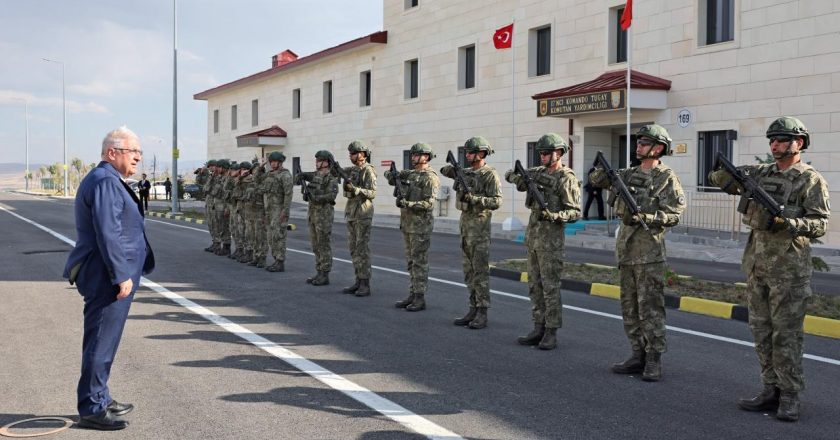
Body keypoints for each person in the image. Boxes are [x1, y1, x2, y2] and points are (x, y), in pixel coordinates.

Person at [709, 117, 830, 421]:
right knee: (761, 331)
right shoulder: (761, 174)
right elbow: (721, 180)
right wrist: (724, 171)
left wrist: (790, 222)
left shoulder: (810, 179)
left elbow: (820, 224)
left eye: (781, 140)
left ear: (798, 143)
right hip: (757, 265)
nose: (774, 145)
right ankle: (769, 389)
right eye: (772, 140)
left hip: (789, 270)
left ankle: (790, 395)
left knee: (786, 335)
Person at [62, 127, 155, 430]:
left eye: (139, 152)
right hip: (107, 277)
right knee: (101, 341)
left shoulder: (109, 179)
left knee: (106, 340)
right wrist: (120, 275)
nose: (138, 157)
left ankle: (100, 395)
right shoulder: (105, 181)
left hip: (110, 275)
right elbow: (108, 232)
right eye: (133, 152)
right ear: (112, 153)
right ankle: (92, 407)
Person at [589, 124, 686, 379]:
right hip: (626, 251)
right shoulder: (628, 174)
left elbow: (674, 214)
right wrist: (603, 173)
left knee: (650, 308)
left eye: (644, 143)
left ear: (658, 148)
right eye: (639, 142)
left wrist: (649, 216)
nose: (638, 146)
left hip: (649, 253)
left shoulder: (666, 177)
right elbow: (596, 180)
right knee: (629, 307)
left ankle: (654, 358)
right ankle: (636, 353)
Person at [505, 133, 580, 350]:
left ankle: (551, 331)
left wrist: (556, 216)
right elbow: (511, 174)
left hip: (551, 241)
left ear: (559, 153)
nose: (543, 157)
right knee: (534, 286)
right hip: (534, 238)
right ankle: (538, 326)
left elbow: (574, 212)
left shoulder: (566, 177)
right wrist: (520, 179)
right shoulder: (536, 173)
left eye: (547, 153)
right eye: (541, 153)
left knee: (550, 287)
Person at [440, 136, 502, 329]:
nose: (467, 155)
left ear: (481, 153)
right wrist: (456, 171)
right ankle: (472, 307)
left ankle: (482, 312)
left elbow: (496, 201)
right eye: (466, 152)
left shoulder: (489, 175)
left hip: (480, 228)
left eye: (471, 152)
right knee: (469, 271)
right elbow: (445, 170)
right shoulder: (465, 172)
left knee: (480, 271)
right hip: (465, 226)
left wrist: (475, 199)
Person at [386, 142, 440, 311]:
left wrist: (408, 204)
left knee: (419, 262)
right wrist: (392, 174)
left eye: (417, 155)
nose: (414, 158)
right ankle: (413, 293)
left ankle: (420, 297)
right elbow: (389, 175)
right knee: (411, 262)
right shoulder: (409, 174)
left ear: (426, 157)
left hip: (420, 227)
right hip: (408, 225)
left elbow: (429, 203)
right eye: (413, 155)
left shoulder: (430, 177)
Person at [341, 141, 377, 295]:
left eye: (354, 153)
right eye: (350, 153)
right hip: (351, 213)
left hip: (363, 214)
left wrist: (356, 189)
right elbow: (339, 172)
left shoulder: (368, 171)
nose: (351, 156)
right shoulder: (353, 170)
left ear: (362, 154)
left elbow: (372, 193)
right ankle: (358, 280)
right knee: (353, 249)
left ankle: (365, 284)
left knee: (362, 249)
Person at [302, 150, 339, 283]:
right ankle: (319, 271)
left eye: (320, 160)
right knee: (315, 245)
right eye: (317, 160)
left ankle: (325, 273)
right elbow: (310, 190)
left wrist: (316, 197)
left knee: (323, 244)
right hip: (313, 214)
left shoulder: (331, 177)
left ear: (327, 162)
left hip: (324, 215)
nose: (317, 163)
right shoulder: (316, 175)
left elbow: (331, 196)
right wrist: (307, 195)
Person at [263, 151, 293, 272]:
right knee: (270, 237)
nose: (273, 164)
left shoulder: (285, 175)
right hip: (269, 210)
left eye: (275, 162)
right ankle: (276, 259)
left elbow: (288, 194)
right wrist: (260, 166)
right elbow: (257, 179)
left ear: (280, 162)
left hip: (279, 210)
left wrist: (285, 211)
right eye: (271, 162)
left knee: (279, 236)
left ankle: (280, 262)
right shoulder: (269, 175)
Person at [195, 160, 216, 251]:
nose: (210, 168)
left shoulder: (217, 177)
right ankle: (215, 242)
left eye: (211, 166)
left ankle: (221, 244)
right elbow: (199, 181)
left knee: (217, 225)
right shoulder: (209, 176)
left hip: (216, 204)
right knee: (211, 224)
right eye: (209, 166)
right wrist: (201, 172)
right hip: (209, 202)